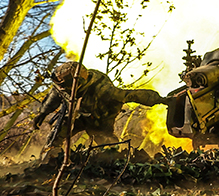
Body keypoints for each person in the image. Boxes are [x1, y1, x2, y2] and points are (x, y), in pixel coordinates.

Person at [33, 60, 165, 148]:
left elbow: (130, 95)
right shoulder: (62, 87)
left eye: (62, 85)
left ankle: (114, 166)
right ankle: (49, 163)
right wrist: (42, 113)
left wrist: (159, 99)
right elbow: (54, 96)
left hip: (99, 119)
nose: (60, 88)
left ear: (76, 83)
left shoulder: (103, 89)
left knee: (107, 147)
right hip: (77, 115)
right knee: (55, 136)